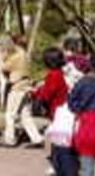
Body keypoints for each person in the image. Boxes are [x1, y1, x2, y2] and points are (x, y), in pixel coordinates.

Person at [31, 47, 77, 176]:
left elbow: (47, 93)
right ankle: (59, 162)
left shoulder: (53, 74)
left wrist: (35, 92)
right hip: (62, 108)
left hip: (58, 110)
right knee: (59, 137)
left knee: (57, 138)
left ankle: (57, 164)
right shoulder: (60, 72)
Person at [0, 35, 44, 148]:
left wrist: (1, 58)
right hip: (26, 86)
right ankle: (37, 139)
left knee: (10, 114)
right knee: (25, 116)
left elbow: (4, 68)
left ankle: (10, 139)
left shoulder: (16, 56)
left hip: (17, 87)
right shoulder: (24, 54)